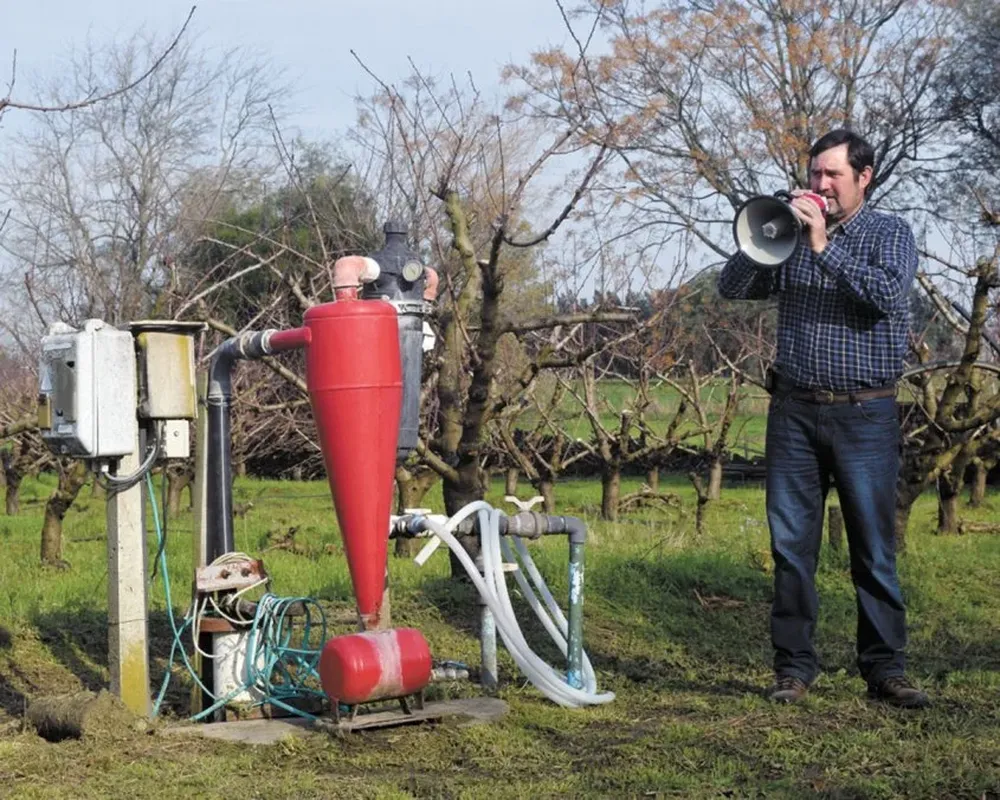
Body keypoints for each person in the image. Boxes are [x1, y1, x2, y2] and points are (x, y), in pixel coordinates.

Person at [718, 129, 928, 708]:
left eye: (832, 175)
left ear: (864, 178)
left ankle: (885, 669)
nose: (820, 185)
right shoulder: (788, 233)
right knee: (791, 549)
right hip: (794, 414)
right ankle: (793, 669)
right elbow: (731, 286)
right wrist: (769, 232)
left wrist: (822, 246)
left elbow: (886, 295)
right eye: (815, 175)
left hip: (866, 415)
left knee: (873, 548)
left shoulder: (889, 233)